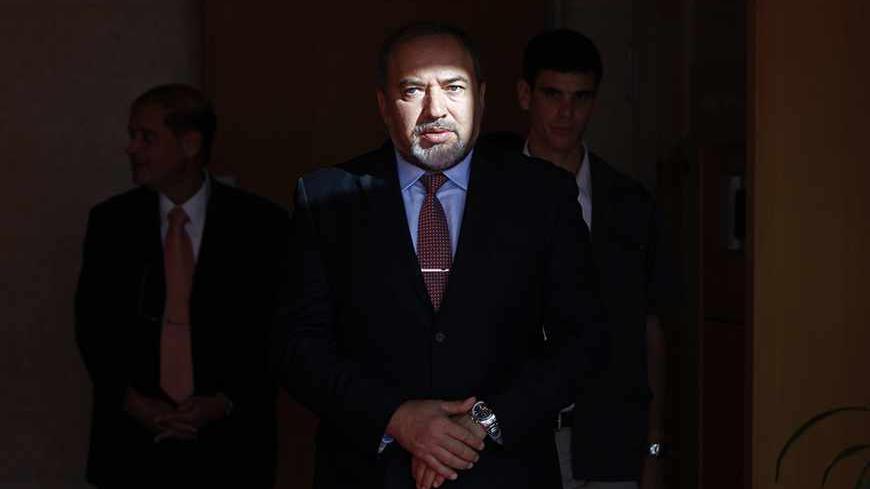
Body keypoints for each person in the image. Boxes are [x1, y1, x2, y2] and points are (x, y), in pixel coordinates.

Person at [273, 22, 605, 489]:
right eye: (412, 90)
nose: (435, 109)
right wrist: (396, 419)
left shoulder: (542, 195)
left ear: (482, 98)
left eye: (453, 87)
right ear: (384, 106)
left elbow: (584, 341)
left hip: (505, 473)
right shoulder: (327, 198)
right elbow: (298, 348)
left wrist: (482, 423)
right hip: (369, 474)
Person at [75, 84, 290, 488]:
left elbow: (275, 328)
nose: (132, 148)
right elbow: (92, 325)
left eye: (146, 137)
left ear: (190, 144)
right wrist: (133, 401)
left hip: (232, 447)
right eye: (132, 136)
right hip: (130, 446)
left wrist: (225, 401)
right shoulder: (111, 223)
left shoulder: (260, 226)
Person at [516, 29, 671, 489]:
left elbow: (650, 328)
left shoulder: (628, 204)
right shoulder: (486, 192)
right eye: (553, 95)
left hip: (610, 442)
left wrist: (655, 445)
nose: (566, 113)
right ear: (526, 95)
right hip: (511, 439)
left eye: (580, 98)